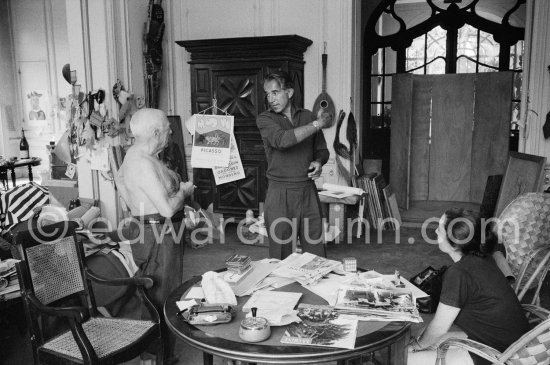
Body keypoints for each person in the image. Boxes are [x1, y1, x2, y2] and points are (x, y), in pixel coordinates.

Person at [117, 108, 194, 360]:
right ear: (155, 132)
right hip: (158, 234)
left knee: (155, 293)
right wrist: (184, 192)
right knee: (163, 295)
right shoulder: (141, 163)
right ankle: (157, 356)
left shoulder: (136, 157)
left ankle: (157, 354)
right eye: (166, 128)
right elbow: (168, 208)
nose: (171, 132)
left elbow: (125, 194)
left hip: (152, 231)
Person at [408, 208, 529, 365]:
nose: (436, 231)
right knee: (420, 336)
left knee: (402, 358)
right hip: (516, 343)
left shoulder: (458, 273)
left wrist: (418, 345)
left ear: (454, 243)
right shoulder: (483, 258)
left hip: (501, 355)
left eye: (440, 229)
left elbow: (439, 327)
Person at [256, 71, 332, 260]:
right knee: (280, 256)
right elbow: (282, 140)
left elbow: (322, 150)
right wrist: (317, 124)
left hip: (307, 190)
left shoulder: (307, 116)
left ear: (289, 92)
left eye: (275, 92)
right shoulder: (265, 119)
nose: (270, 99)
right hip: (280, 193)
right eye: (267, 94)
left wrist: (319, 162)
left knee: (315, 255)